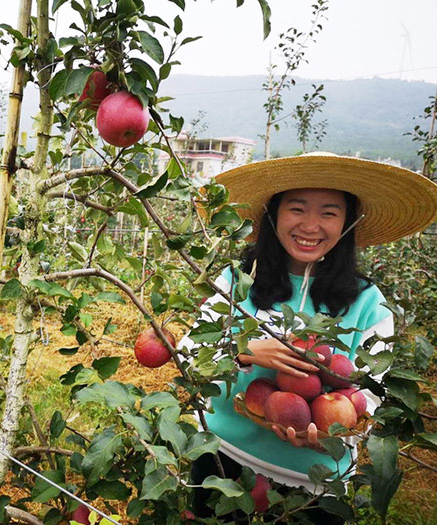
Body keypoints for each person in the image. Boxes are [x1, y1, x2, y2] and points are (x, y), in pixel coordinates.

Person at [181, 153, 437, 522]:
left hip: (314, 487)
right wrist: (246, 350)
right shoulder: (238, 280)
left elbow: (369, 395)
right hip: (224, 459)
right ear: (273, 214)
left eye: (329, 213)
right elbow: (189, 354)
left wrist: (333, 430)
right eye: (297, 209)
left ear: (348, 222)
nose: (311, 225)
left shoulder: (367, 303)